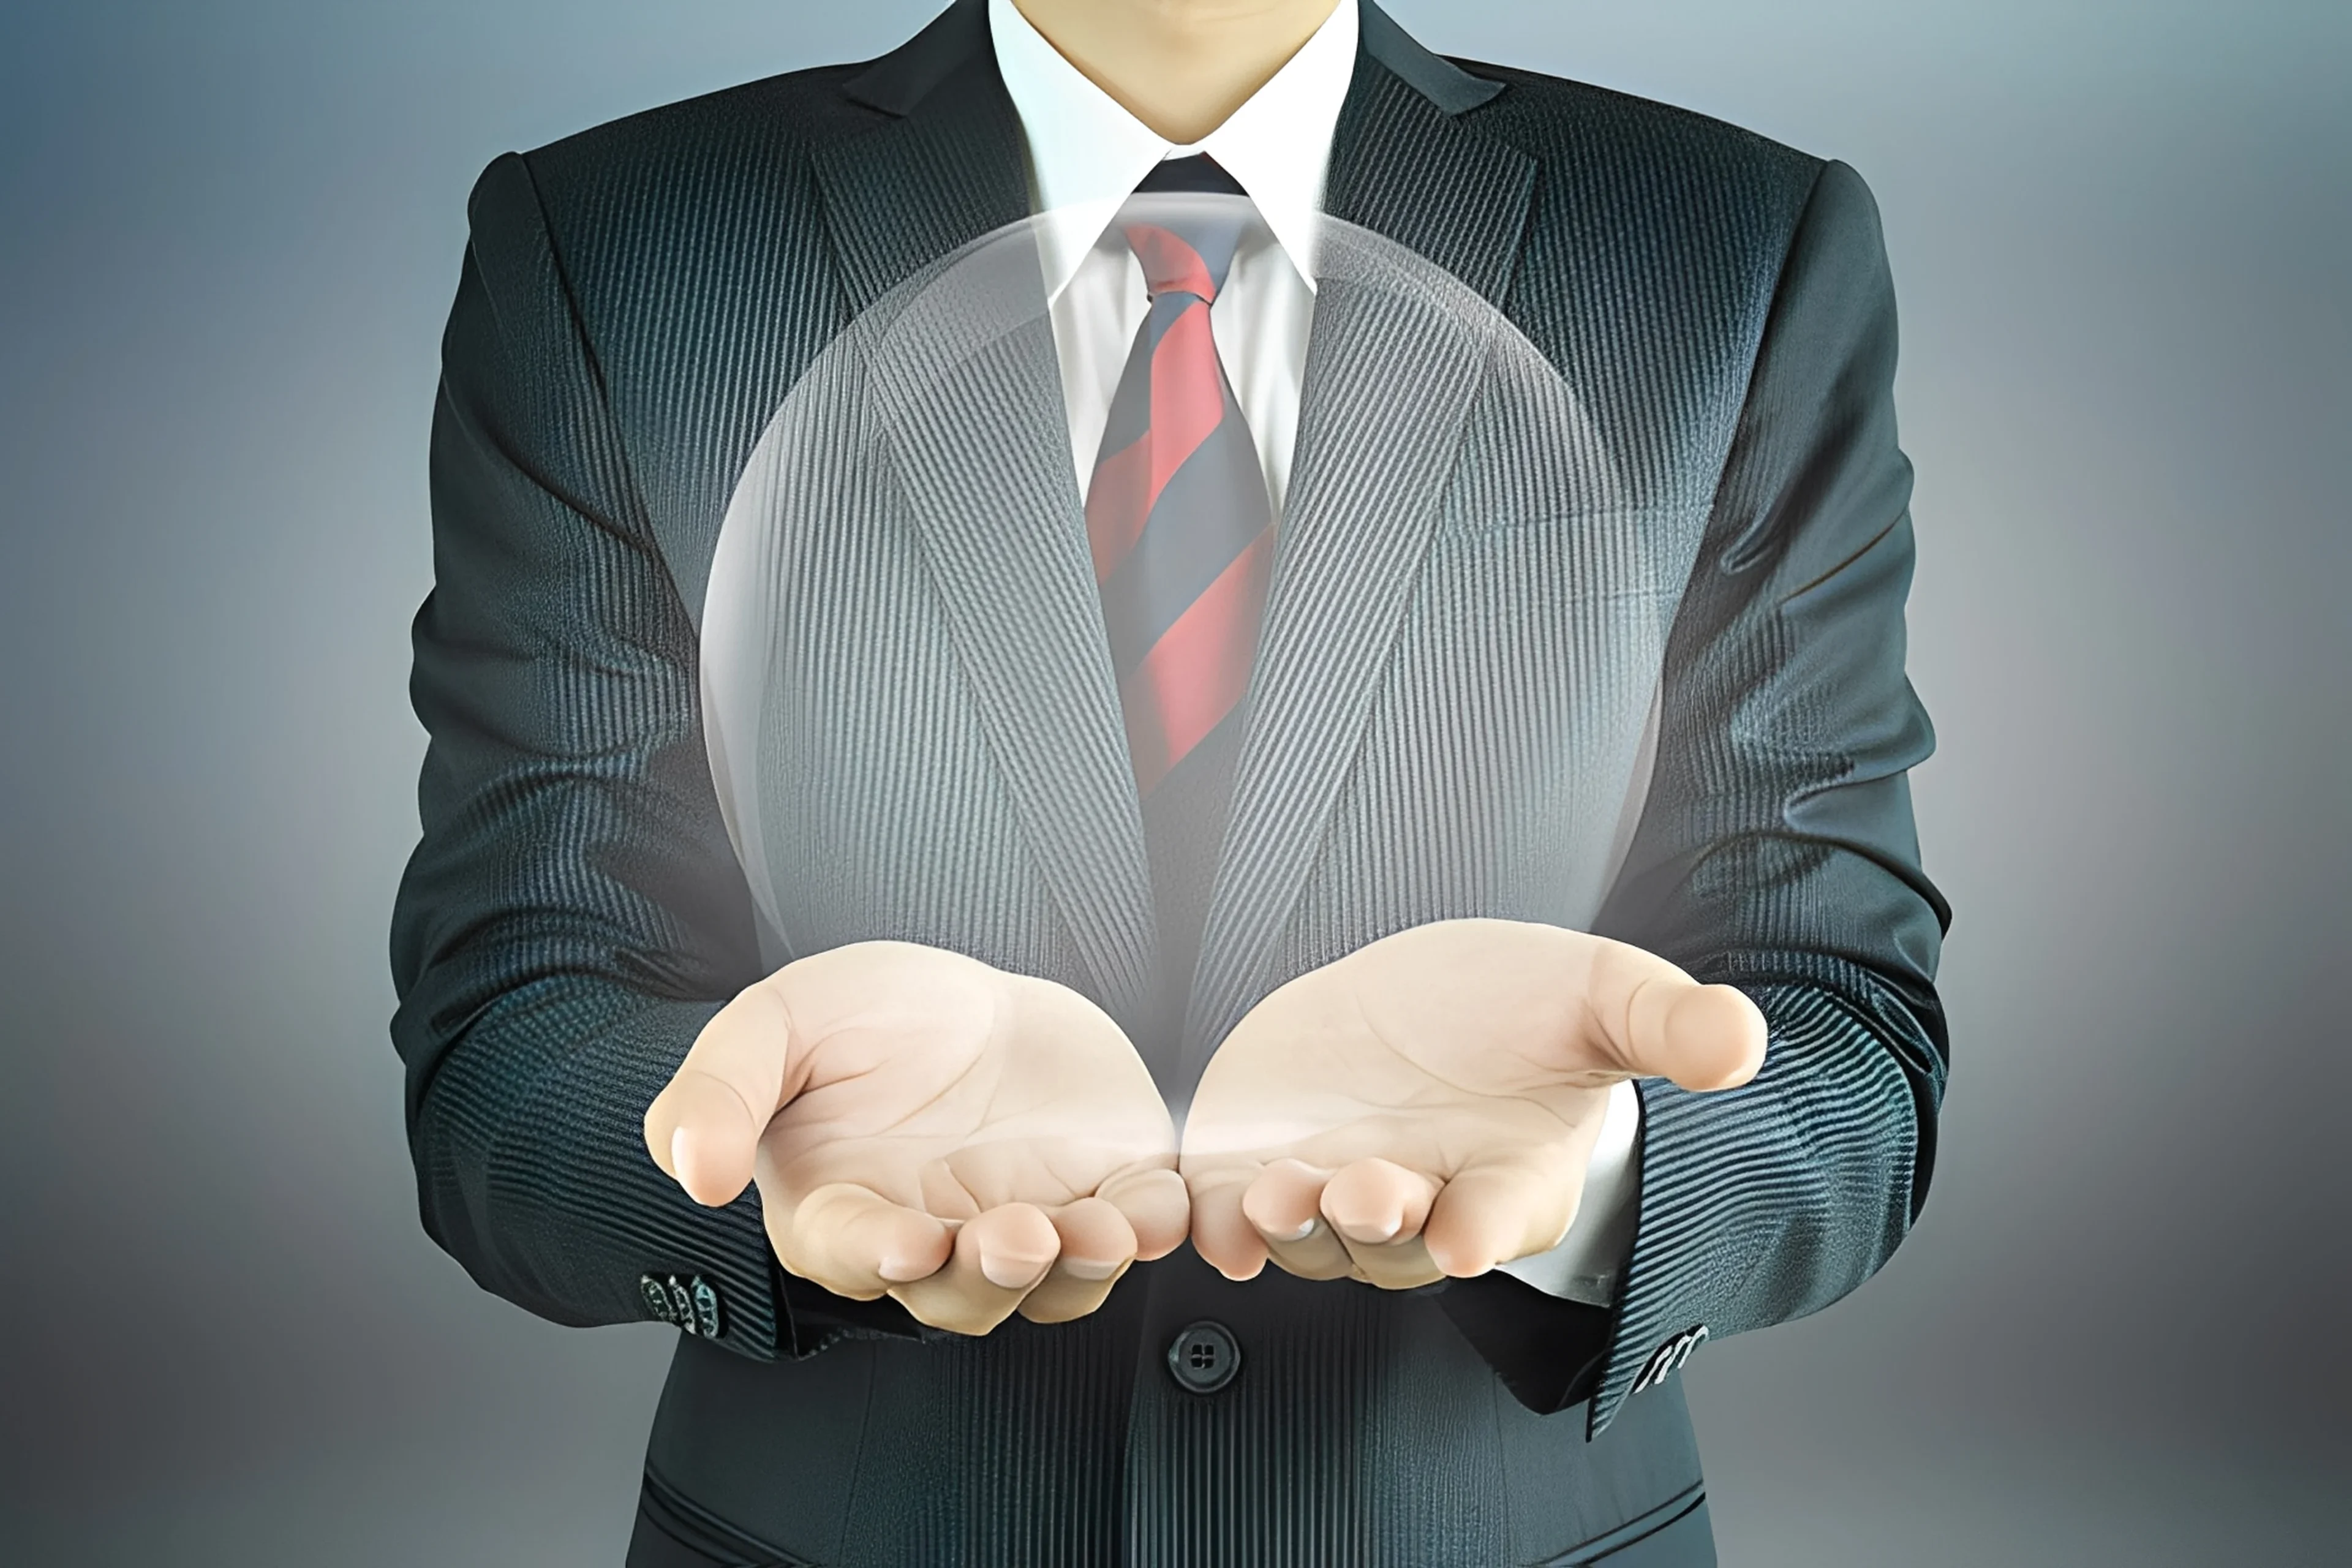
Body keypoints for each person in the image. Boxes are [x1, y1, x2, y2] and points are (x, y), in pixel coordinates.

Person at [391, 1, 1950, 1562]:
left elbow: (1845, 1032)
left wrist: (1597, 1162)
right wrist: (768, 1174)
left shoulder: (1728, 248)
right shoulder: (623, 248)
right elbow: (510, 1034)